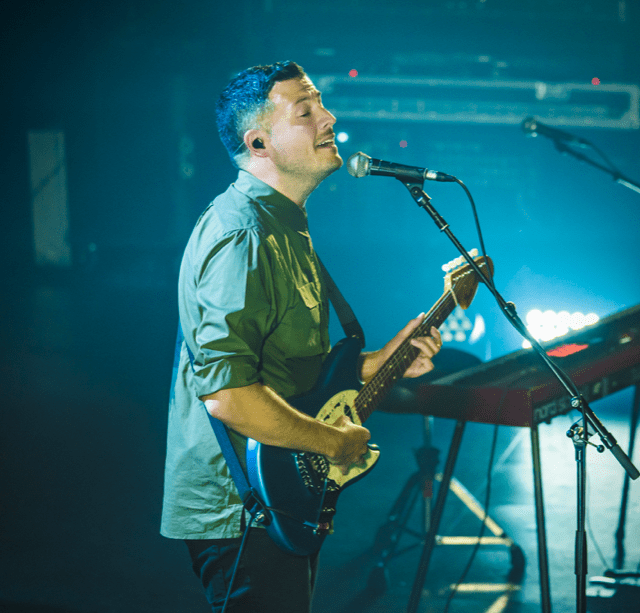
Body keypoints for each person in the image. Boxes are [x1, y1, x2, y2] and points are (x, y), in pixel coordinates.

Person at [160, 60, 442, 613]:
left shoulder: (284, 222)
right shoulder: (243, 233)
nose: (329, 118)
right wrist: (333, 443)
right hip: (243, 503)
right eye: (305, 110)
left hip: (280, 491)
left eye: (322, 104)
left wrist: (378, 362)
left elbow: (285, 369)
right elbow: (229, 396)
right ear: (259, 141)